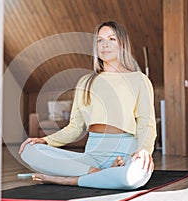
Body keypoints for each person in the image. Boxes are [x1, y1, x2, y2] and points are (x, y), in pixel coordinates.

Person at [18, 20, 157, 190]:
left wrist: (144, 151)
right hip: (92, 155)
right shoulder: (85, 82)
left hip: (125, 151)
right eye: (99, 40)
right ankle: (99, 173)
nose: (105, 44)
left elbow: (146, 123)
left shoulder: (138, 79)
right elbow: (74, 128)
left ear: (122, 44)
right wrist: (44, 140)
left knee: (131, 177)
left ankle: (68, 180)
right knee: (29, 150)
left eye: (111, 39)